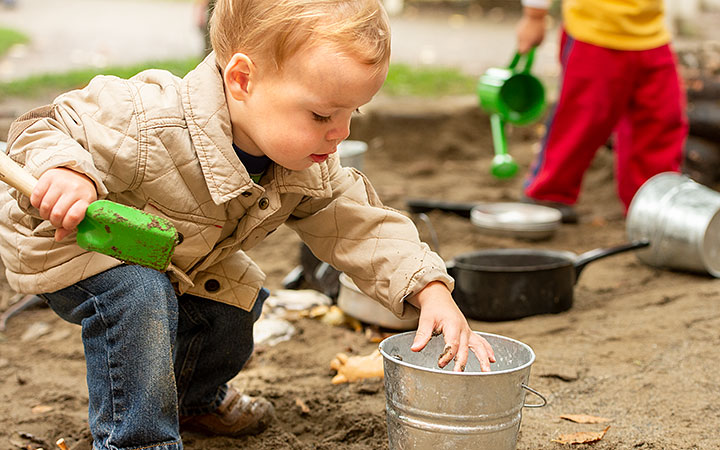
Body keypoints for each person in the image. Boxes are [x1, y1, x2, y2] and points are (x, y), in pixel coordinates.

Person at [0, 0, 496, 448]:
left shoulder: (306, 163)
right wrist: (65, 172)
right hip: (66, 238)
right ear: (242, 79)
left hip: (168, 252)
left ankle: (195, 400)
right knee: (137, 293)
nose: (341, 133)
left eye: (353, 113)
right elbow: (44, 125)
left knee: (235, 297)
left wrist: (428, 287)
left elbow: (360, 224)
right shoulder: (148, 118)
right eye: (323, 113)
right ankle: (138, 439)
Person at [516, 0, 689, 223]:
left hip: (651, 34)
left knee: (661, 119)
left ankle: (650, 202)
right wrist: (534, 15)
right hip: (594, 32)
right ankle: (549, 193)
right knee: (581, 119)